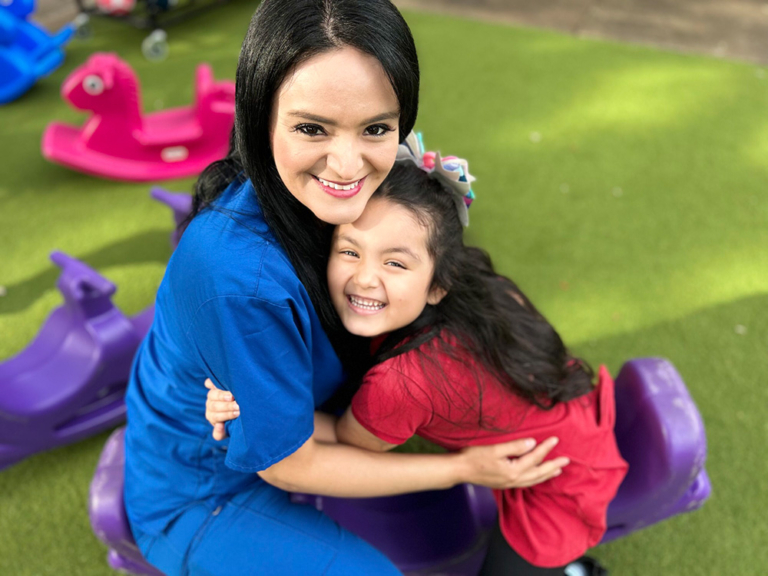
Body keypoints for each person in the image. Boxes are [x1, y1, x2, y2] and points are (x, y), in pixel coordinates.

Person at [123, 1, 569, 575]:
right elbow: (288, 463)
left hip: (303, 415)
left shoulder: (375, 188)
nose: (347, 165)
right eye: (312, 128)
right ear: (260, 117)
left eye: (377, 128)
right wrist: (465, 470)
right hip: (205, 491)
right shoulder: (239, 276)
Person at [206, 136, 629, 575]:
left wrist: (251, 402)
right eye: (350, 251)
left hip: (555, 475)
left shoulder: (403, 382)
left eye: (395, 263)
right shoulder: (481, 290)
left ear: (437, 285)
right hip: (566, 411)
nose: (365, 278)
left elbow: (347, 442)